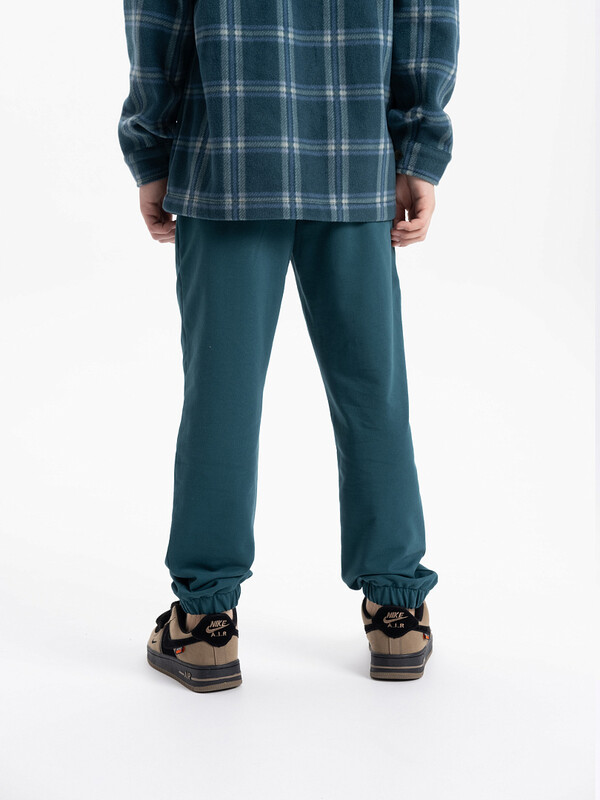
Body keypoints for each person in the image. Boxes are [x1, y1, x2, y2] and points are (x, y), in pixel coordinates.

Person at [118, 0, 459, 692]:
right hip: (355, 156)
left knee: (222, 396)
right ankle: (397, 613)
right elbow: (426, 13)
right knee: (372, 390)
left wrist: (151, 149)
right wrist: (418, 150)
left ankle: (204, 625)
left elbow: (158, 17)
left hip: (228, 155)